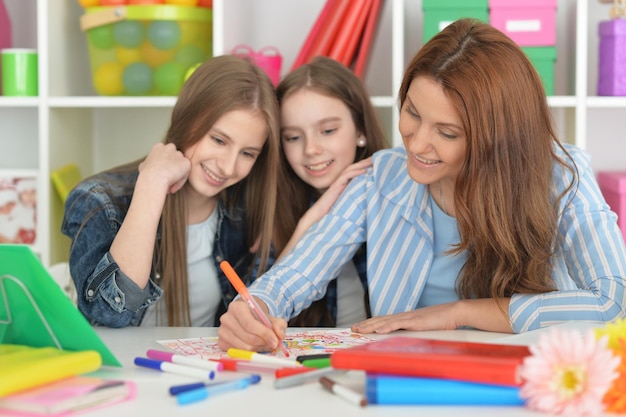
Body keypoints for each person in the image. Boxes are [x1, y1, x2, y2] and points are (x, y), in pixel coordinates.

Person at [217, 18, 626, 352]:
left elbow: (614, 301)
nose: (416, 143)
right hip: (409, 378)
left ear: (496, 139)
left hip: (526, 380)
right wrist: (257, 307)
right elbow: (298, 274)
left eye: (447, 133)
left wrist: (458, 313)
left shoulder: (562, 176)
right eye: (412, 113)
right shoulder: (381, 176)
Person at [62, 55, 281, 328]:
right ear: (186, 119)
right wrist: (152, 184)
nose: (227, 166)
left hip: (205, 369)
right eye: (218, 140)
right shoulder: (98, 201)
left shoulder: (243, 211)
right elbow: (108, 315)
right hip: (121, 370)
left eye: (247, 153)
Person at [272, 56, 389, 327]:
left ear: (360, 129)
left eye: (327, 130)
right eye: (293, 137)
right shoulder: (274, 204)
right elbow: (260, 308)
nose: (311, 149)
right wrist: (308, 222)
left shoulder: (394, 196)